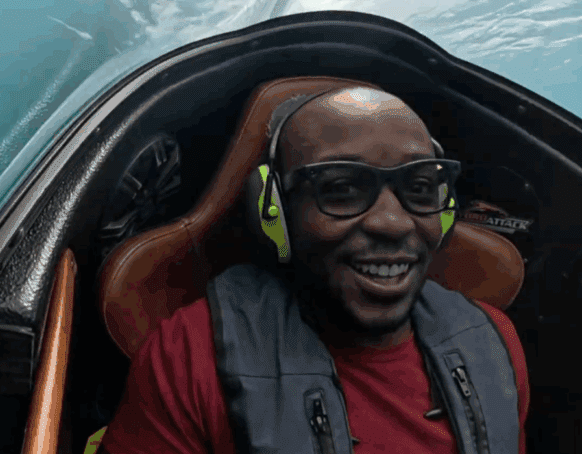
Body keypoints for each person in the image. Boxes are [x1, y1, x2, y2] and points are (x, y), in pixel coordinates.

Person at [94, 87, 530, 454]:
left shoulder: (494, 341)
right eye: (341, 188)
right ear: (275, 213)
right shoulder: (189, 358)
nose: (392, 223)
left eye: (417, 189)